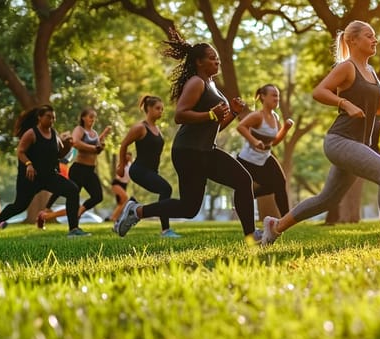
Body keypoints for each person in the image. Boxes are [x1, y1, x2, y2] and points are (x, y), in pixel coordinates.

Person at [259, 20, 380, 245]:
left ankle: (276, 226)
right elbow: (319, 92)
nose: (375, 40)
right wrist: (345, 103)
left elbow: (378, 108)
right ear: (353, 40)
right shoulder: (347, 67)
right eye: (369, 36)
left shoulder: (370, 71)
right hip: (340, 140)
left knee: (327, 200)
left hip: (357, 144)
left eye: (374, 36)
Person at [114, 40, 260, 242]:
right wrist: (210, 114)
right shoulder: (196, 82)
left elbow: (214, 125)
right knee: (227, 188)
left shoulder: (211, 84)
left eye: (216, 57)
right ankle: (251, 236)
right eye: (211, 57)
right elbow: (180, 115)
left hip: (206, 150)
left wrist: (233, 112)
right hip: (188, 152)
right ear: (199, 62)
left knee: (196, 205)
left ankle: (137, 211)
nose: (216, 60)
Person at [0, 105, 89, 237]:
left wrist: (69, 145)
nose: (52, 120)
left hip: (49, 176)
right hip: (30, 178)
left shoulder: (54, 134)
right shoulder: (31, 133)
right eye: (48, 117)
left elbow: (60, 154)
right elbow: (20, 152)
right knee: (19, 206)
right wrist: (29, 164)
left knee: (72, 190)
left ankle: (74, 229)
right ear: (39, 117)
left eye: (53, 118)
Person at [115, 95, 179, 238]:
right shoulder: (140, 128)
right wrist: (121, 165)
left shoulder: (157, 129)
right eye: (157, 108)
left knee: (164, 191)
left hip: (150, 171)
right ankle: (165, 230)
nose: (161, 112)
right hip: (138, 170)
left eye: (162, 109)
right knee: (166, 189)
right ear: (148, 108)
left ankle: (130, 209)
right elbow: (124, 144)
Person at [38, 108, 111, 228]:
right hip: (79, 170)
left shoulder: (94, 133)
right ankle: (47, 216)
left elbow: (97, 148)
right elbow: (76, 143)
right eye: (90, 117)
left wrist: (101, 145)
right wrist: (94, 149)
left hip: (90, 170)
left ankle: (51, 215)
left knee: (98, 196)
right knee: (73, 200)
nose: (93, 119)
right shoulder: (79, 129)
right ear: (83, 117)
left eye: (94, 117)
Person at [236, 84, 294, 218]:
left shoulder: (275, 117)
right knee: (274, 185)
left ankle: (287, 219)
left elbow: (274, 141)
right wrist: (254, 141)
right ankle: (244, 197)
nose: (277, 98)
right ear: (263, 97)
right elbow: (241, 127)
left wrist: (285, 128)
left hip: (264, 156)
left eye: (278, 96)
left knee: (279, 184)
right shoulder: (257, 115)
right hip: (248, 160)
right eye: (274, 95)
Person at [110, 151, 131, 223]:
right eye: (127, 155)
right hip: (117, 183)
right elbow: (118, 172)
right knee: (126, 198)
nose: (128, 156)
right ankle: (114, 217)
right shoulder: (121, 163)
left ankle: (114, 218)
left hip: (124, 185)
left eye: (129, 155)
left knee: (121, 203)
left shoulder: (130, 165)